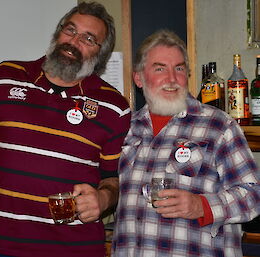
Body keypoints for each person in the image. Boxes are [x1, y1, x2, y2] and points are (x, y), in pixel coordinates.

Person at [0, 2, 131, 257]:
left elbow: (114, 180)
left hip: (75, 251)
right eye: (70, 30)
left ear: (100, 55)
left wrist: (103, 199)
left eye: (88, 38)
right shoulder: (3, 78)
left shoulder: (114, 107)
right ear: (58, 32)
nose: (73, 41)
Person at [111, 29, 260, 257]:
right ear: (139, 78)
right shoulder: (126, 129)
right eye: (160, 68)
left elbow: (253, 196)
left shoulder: (219, 126)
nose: (172, 79)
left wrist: (202, 206)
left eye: (179, 68)